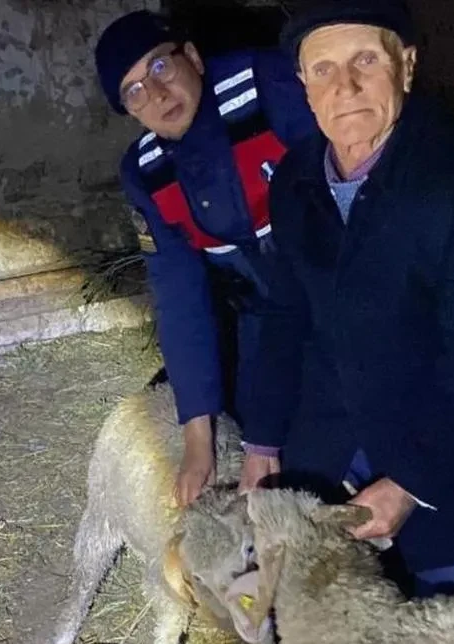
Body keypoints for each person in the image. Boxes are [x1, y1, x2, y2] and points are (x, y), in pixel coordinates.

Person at [239, 0, 454, 599]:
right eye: (323, 69)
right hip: (332, 441)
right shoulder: (296, 180)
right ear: (303, 85)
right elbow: (284, 314)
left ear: (406, 66)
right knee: (327, 615)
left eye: (365, 60)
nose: (345, 86)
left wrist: (409, 482)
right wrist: (263, 439)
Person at [93, 11, 317, 507]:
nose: (156, 95)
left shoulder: (266, 86)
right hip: (263, 317)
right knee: (264, 458)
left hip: (339, 292)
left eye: (159, 67)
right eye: (134, 92)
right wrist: (198, 438)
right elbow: (179, 296)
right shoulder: (147, 174)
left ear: (192, 56)